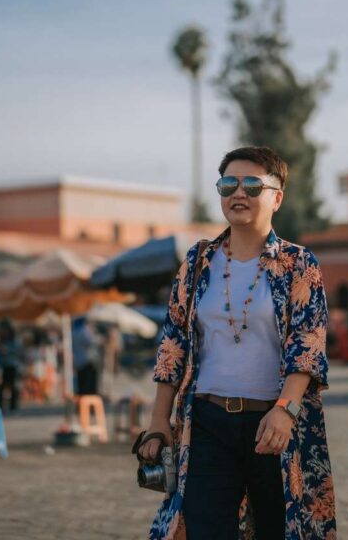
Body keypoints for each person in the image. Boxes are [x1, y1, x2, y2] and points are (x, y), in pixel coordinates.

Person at [141, 146, 336, 540]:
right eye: (228, 184)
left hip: (274, 425)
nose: (238, 194)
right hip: (207, 422)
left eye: (252, 185)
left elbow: (308, 345)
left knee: (276, 530)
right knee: (205, 529)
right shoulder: (198, 261)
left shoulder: (299, 264)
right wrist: (159, 420)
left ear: (277, 197)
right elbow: (172, 344)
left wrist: (285, 410)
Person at [0, 319, 22, 412]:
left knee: (12, 385)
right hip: (3, 365)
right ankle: (0, 405)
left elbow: (19, 351)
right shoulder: (2, 340)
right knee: (2, 386)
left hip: (12, 365)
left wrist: (8, 350)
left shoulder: (14, 341)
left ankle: (13, 405)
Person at [72, 317, 102, 396]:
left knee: (82, 385)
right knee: (89, 387)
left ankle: (83, 403)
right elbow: (91, 341)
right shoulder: (83, 331)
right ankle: (89, 403)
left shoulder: (74, 331)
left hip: (79, 362)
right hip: (87, 362)